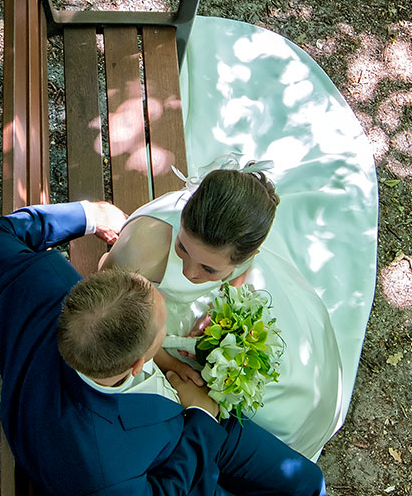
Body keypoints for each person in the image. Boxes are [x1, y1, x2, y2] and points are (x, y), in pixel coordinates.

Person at [0, 199, 412, 496]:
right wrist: (201, 418)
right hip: (168, 495)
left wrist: (89, 214)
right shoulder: (98, 472)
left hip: (172, 417)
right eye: (162, 335)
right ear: (137, 364)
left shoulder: (40, 276)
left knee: (304, 480)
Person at [102, 163, 344, 460]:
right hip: (149, 325)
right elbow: (106, 295)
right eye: (182, 248)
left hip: (208, 311)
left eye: (208, 268)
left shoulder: (243, 254)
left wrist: (223, 301)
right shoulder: (141, 250)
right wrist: (171, 364)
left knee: (292, 389)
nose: (190, 272)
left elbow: (241, 271)